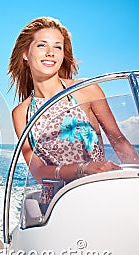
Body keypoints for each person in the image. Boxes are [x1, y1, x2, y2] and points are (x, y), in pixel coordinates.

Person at [8, 16, 139, 183]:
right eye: (42, 45)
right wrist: (81, 169)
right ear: (25, 54)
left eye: (58, 47)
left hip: (96, 187)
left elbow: (119, 142)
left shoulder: (86, 90)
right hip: (57, 199)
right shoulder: (21, 113)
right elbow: (37, 170)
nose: (51, 52)